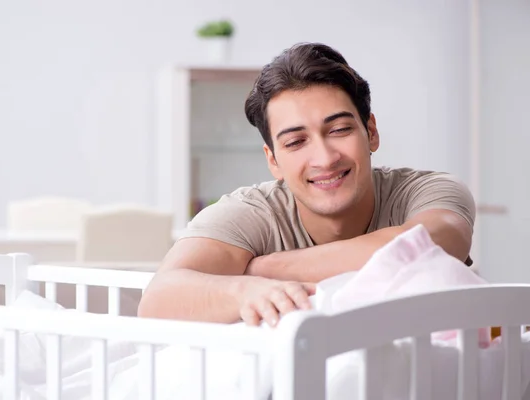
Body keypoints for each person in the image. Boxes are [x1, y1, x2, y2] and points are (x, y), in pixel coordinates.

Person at [138, 42, 475, 328]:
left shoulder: (427, 190)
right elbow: (158, 300)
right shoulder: (252, 212)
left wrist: (264, 269)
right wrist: (244, 292)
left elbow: (434, 243)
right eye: (296, 141)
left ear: (370, 131)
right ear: (273, 160)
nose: (325, 158)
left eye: (339, 130)